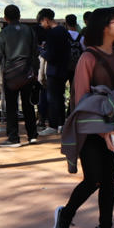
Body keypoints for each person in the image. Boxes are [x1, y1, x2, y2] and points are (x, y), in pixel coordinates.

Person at [53, 7, 114, 228]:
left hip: (113, 128)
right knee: (93, 179)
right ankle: (65, 216)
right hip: (89, 129)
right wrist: (104, 132)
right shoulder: (87, 58)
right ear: (103, 28)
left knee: (110, 179)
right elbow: (82, 100)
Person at [0, 4, 39, 147]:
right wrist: (35, 71)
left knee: (11, 106)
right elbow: (35, 53)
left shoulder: (4, 33)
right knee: (28, 104)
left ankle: (13, 138)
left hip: (11, 74)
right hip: (27, 73)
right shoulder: (29, 31)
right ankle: (32, 135)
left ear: (5, 18)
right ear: (19, 16)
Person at [37, 8, 71, 136]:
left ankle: (52, 125)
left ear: (46, 19)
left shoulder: (52, 33)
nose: (41, 25)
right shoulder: (63, 31)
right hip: (63, 69)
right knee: (60, 97)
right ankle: (62, 124)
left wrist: (41, 51)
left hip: (53, 70)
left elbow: (50, 54)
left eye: (41, 22)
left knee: (52, 98)